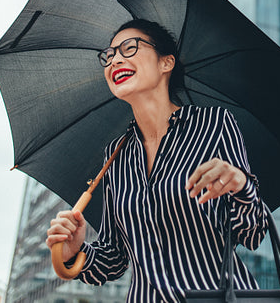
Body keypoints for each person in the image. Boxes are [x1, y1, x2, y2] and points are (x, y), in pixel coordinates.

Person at [46, 19, 268, 302]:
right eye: (109, 55)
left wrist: (241, 184)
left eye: (129, 48)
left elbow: (252, 233)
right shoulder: (115, 154)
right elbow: (114, 257)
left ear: (167, 63)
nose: (114, 60)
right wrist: (75, 253)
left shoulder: (215, 125)